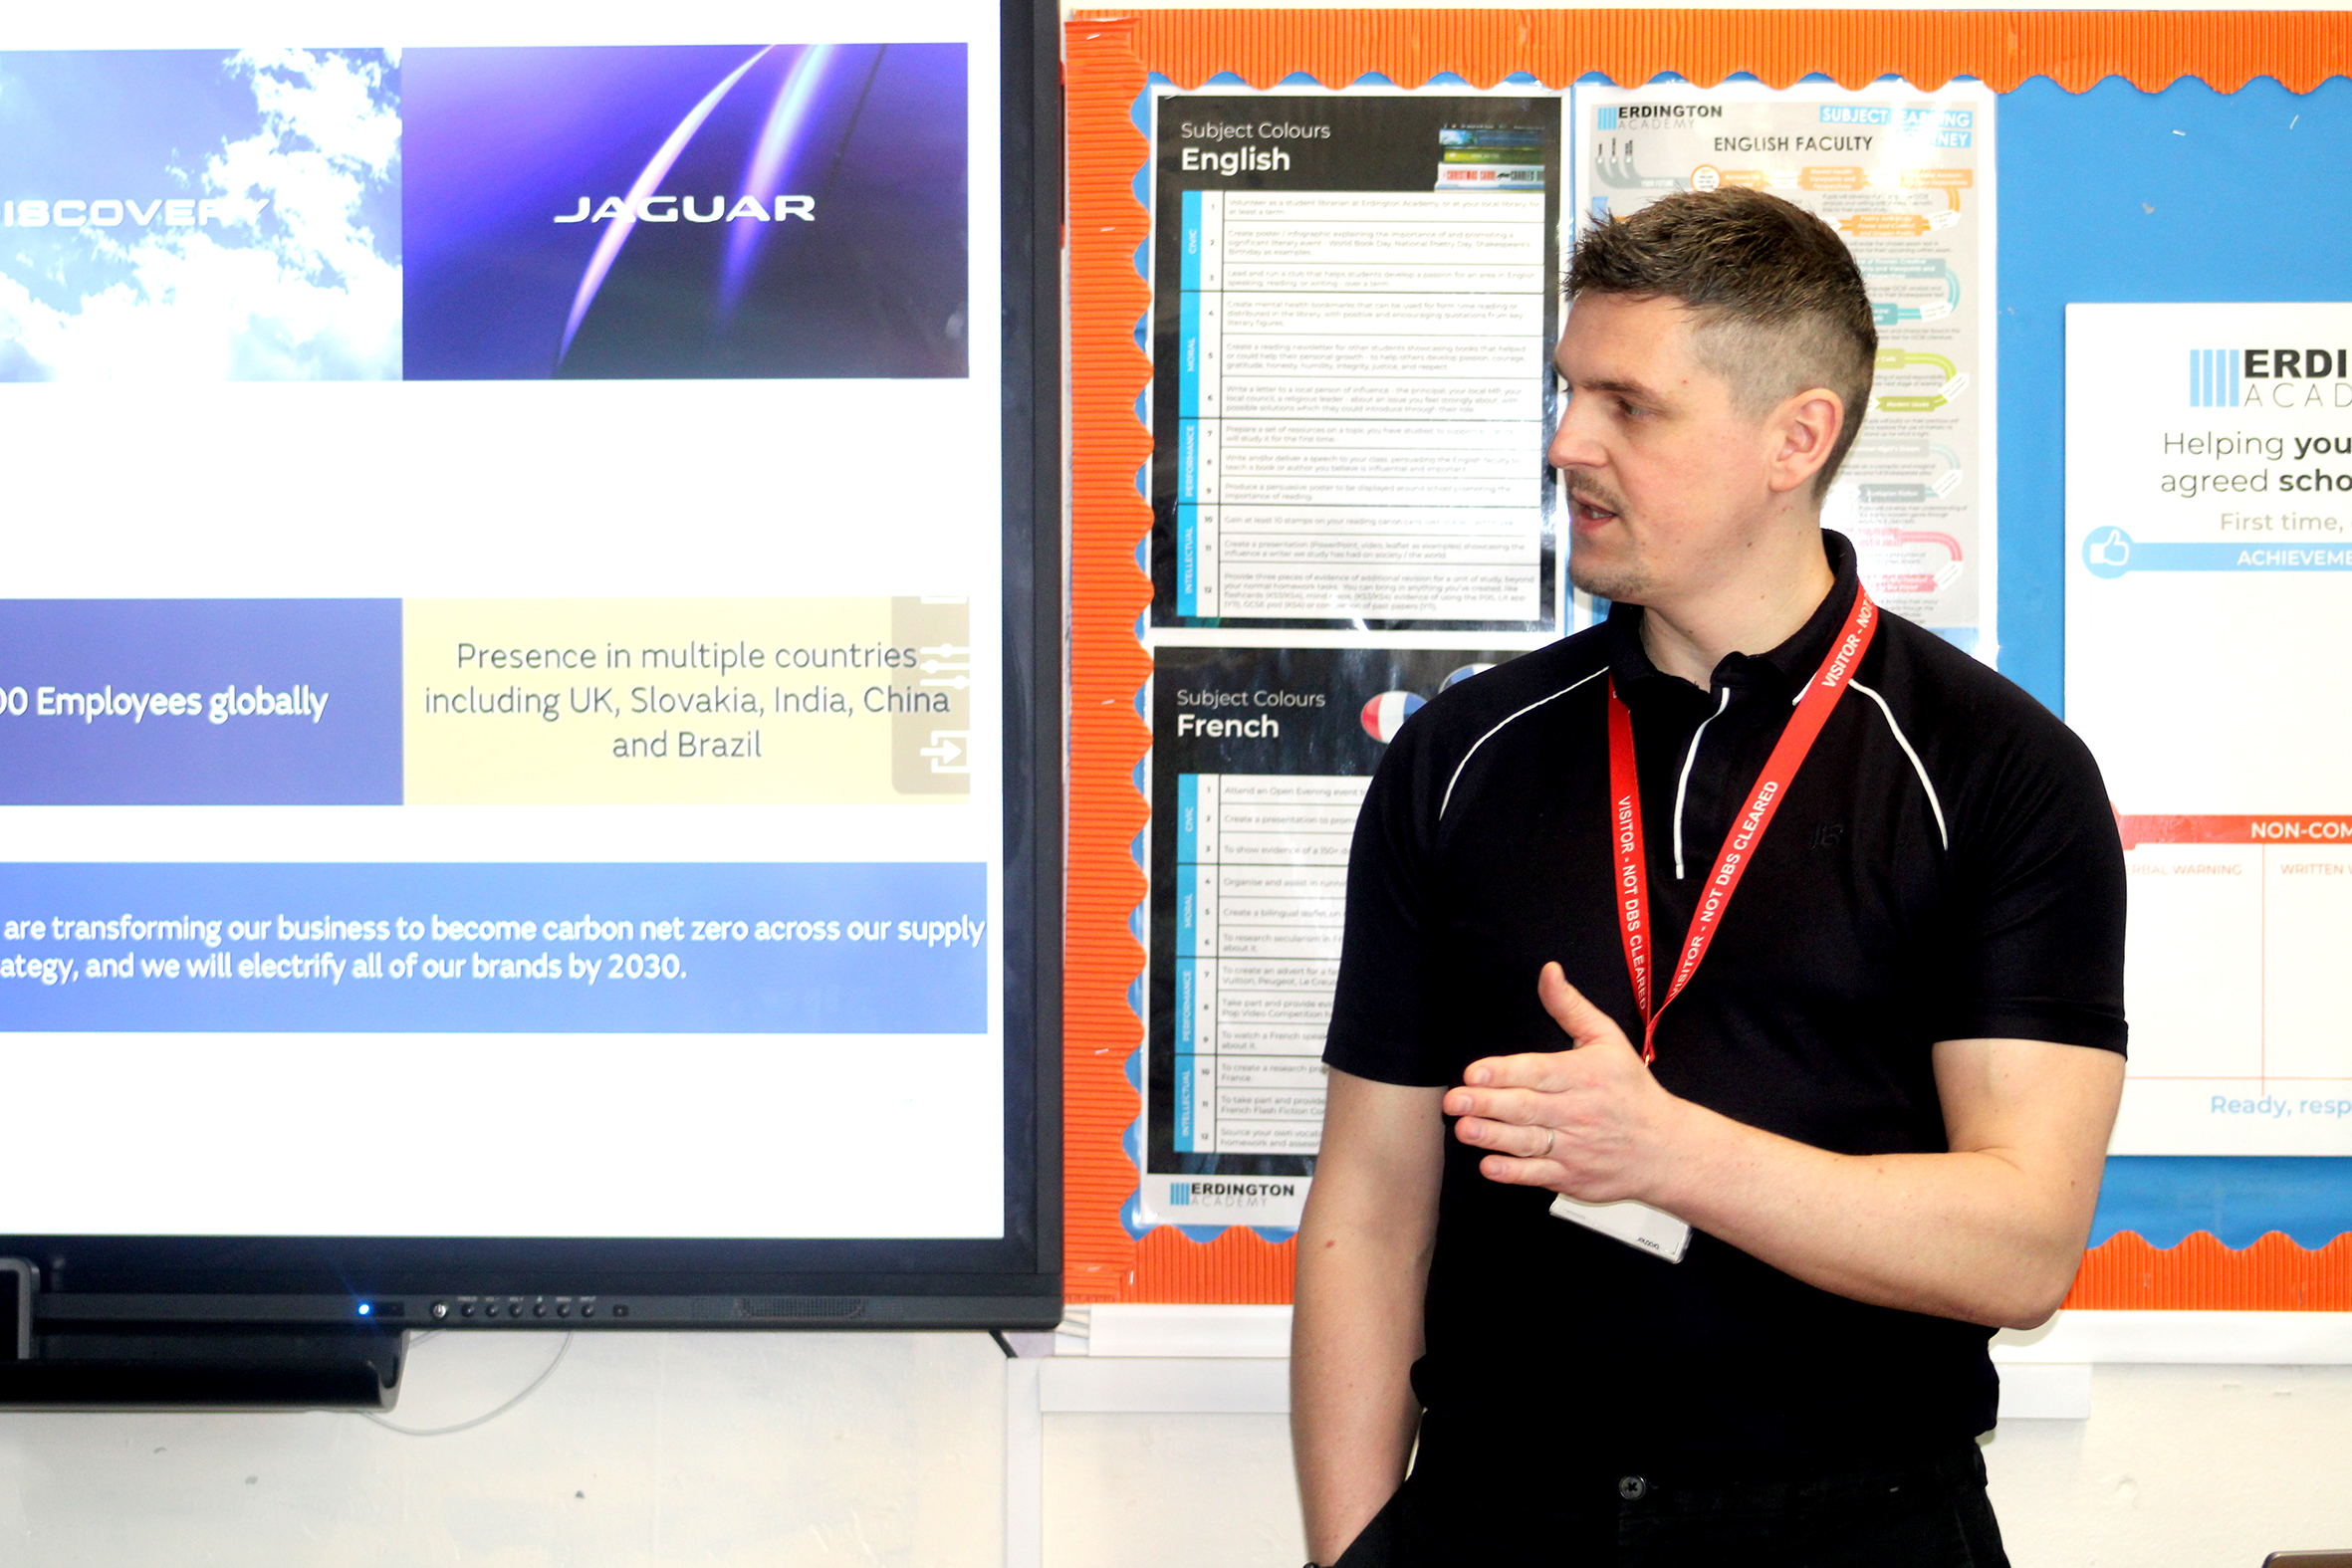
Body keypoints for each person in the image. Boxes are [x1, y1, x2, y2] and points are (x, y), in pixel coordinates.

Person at [1290, 188, 2127, 1567]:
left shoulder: (1995, 769)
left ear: (1796, 438)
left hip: (1855, 1528)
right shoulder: (1461, 754)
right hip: (1500, 1519)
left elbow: (2023, 1248)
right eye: (1569, 392)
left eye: (1629, 405)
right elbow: (1371, 1206)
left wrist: (1670, 1155)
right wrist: (1351, 1555)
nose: (1568, 443)